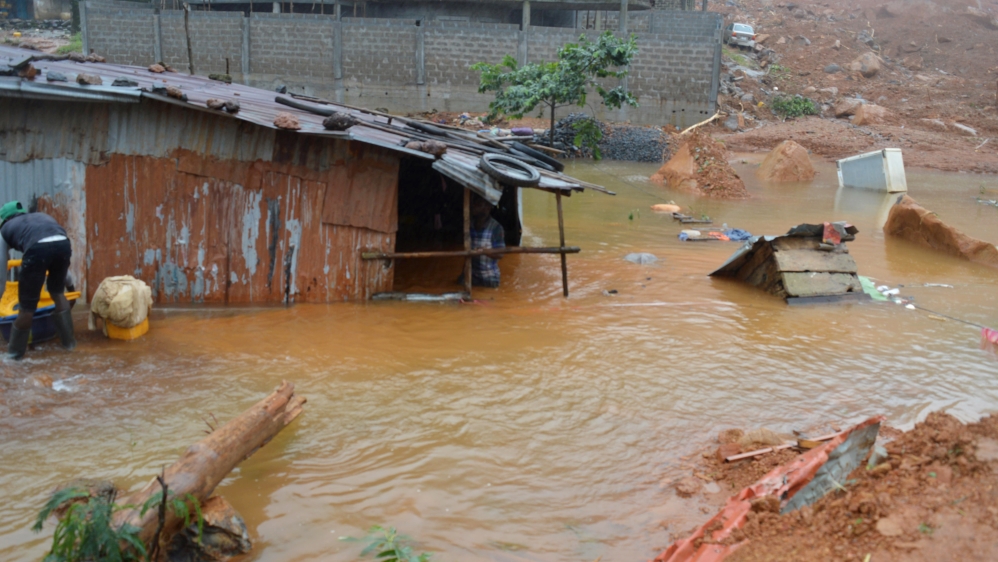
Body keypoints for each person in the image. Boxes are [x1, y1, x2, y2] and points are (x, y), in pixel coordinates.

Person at [0, 201, 76, 359]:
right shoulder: (41, 218)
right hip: (63, 244)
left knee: (27, 307)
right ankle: (70, 346)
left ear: (4, 219)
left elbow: (1, 271)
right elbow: (53, 244)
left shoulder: (5, 229)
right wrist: (71, 287)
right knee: (57, 292)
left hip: (36, 249)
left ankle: (13, 357)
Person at [469, 195, 505, 288]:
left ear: (487, 208)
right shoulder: (469, 224)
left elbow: (500, 254)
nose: (473, 206)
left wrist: (484, 251)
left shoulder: (496, 228)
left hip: (489, 277)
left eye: (478, 204)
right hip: (472, 275)